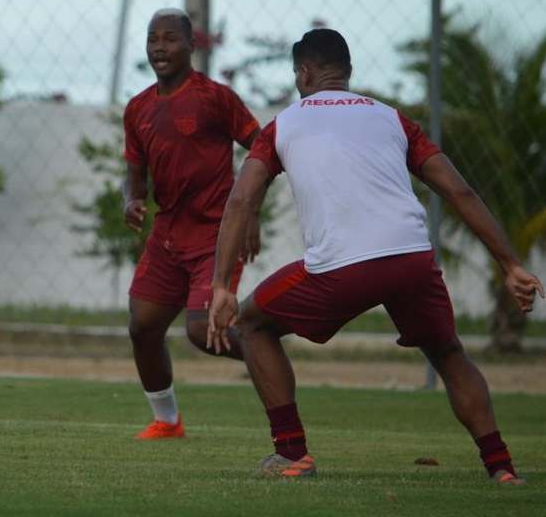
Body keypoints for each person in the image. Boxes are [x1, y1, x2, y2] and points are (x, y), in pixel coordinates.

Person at [207, 28, 543, 482]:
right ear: (347, 72)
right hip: (411, 259)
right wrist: (511, 264)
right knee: (447, 353)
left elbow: (241, 201)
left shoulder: (284, 124)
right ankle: (501, 468)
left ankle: (292, 454)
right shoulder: (391, 119)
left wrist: (222, 286)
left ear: (304, 73)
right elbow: (459, 190)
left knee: (250, 323)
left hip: (342, 267)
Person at [123, 8, 262, 439]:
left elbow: (262, 148)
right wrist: (131, 201)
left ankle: (265, 350)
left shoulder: (214, 98)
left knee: (204, 331)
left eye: (169, 38)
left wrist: (250, 210)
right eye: (152, 39)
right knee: (143, 326)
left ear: (192, 45)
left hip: (217, 233)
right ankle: (167, 422)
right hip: (167, 237)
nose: (159, 48)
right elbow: (133, 176)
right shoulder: (138, 108)